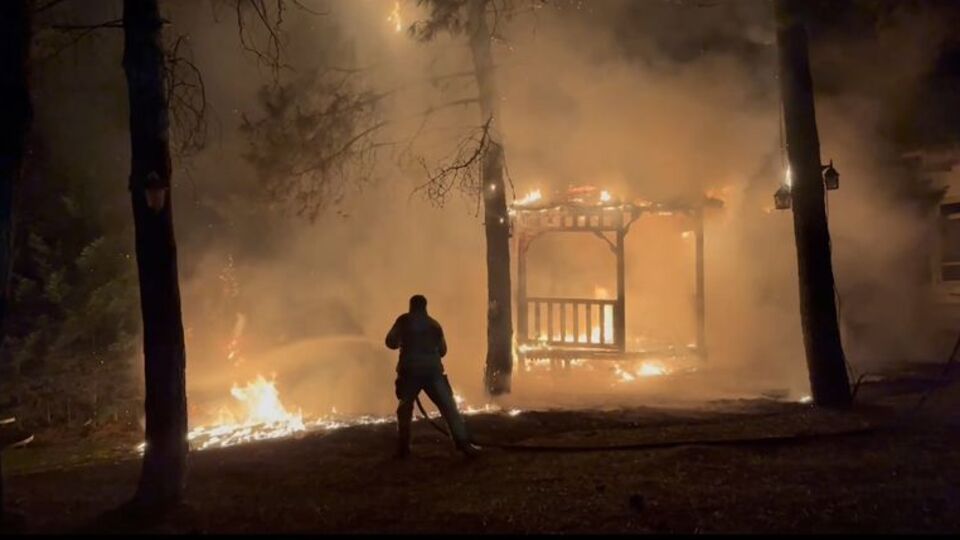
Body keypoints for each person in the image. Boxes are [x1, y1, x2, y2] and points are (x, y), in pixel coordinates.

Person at [385, 294, 480, 459]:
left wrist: (404, 343)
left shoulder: (403, 321)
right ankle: (464, 444)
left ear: (411, 306)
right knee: (449, 407)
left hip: (410, 373)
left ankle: (403, 448)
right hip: (432, 372)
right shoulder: (434, 324)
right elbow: (443, 351)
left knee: (405, 409)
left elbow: (390, 342)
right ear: (425, 307)